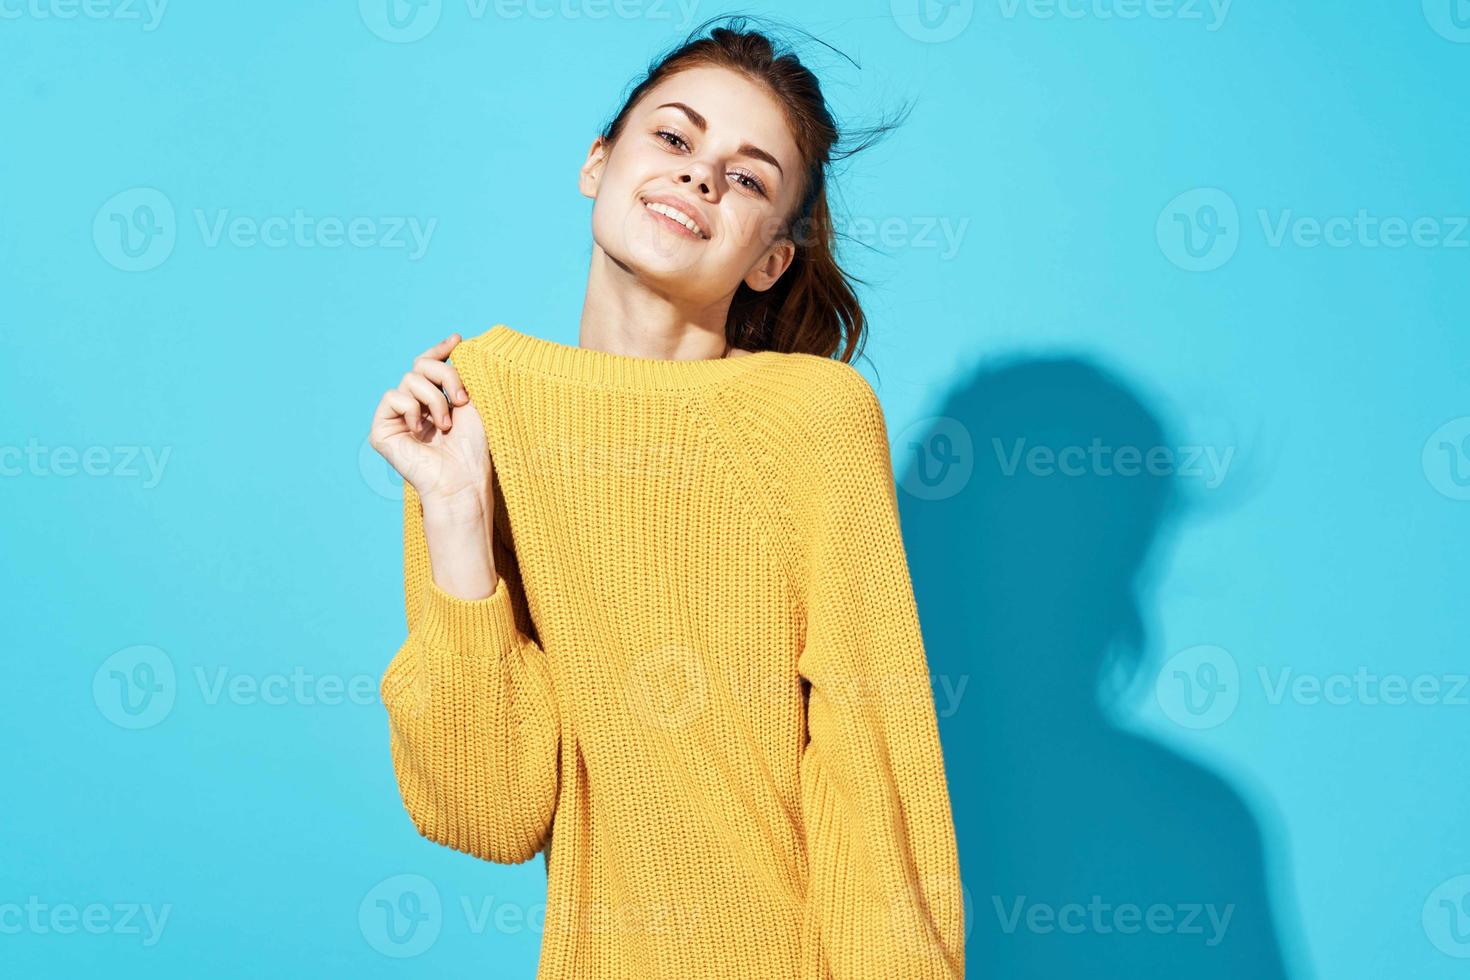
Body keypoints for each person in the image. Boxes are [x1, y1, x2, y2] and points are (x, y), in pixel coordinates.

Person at [366, 16, 965, 978]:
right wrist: (455, 513)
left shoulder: (814, 416)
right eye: (675, 139)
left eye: (748, 178)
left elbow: (872, 766)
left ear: (772, 256)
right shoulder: (479, 412)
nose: (699, 178)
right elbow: (485, 812)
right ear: (597, 162)